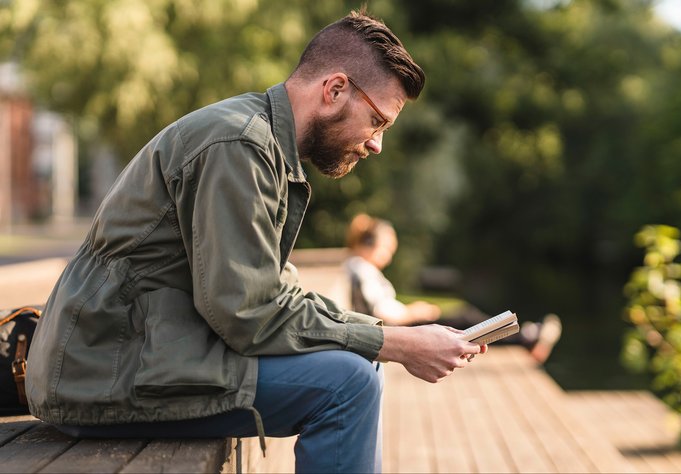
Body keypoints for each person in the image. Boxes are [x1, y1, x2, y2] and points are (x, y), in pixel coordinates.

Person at [25, 9, 487, 474]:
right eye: (377, 121)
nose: (376, 145)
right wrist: (396, 344)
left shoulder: (260, 142)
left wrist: (385, 337)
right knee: (348, 383)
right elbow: (246, 313)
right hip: (100, 373)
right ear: (335, 90)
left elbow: (273, 295)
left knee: (359, 367)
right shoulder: (240, 145)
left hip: (127, 357)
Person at [345, 213, 562, 363]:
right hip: (403, 330)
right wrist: (414, 311)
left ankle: (523, 336)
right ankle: (524, 337)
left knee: (465, 319)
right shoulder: (361, 268)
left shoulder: (361, 268)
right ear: (370, 245)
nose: (390, 256)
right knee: (465, 320)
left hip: (403, 327)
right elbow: (380, 312)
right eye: (387, 249)